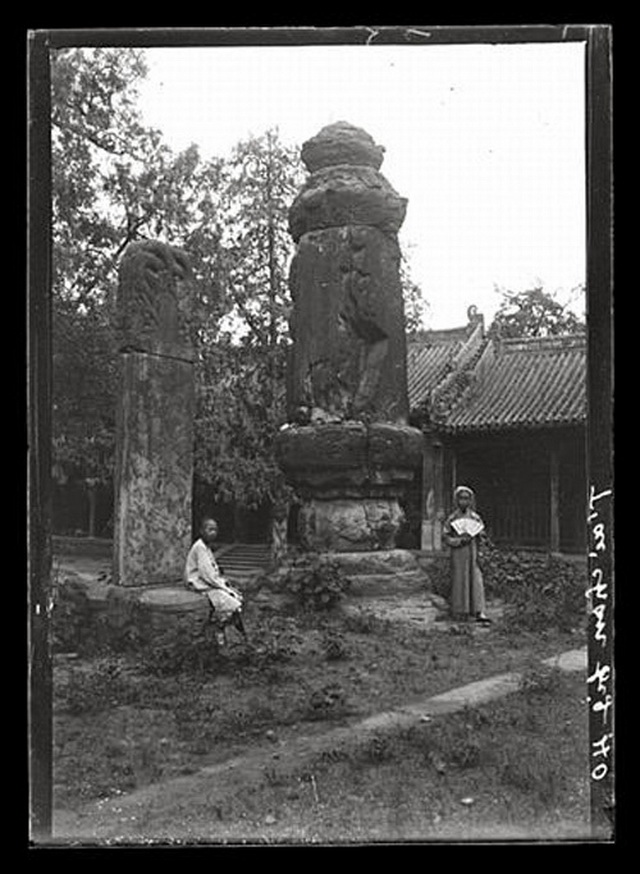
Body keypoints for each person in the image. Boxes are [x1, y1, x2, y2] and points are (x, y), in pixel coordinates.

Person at [184, 518, 246, 646]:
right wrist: (224, 587)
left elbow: (213, 570)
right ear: (202, 531)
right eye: (210, 529)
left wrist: (225, 583)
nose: (213, 532)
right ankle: (221, 630)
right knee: (232, 602)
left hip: (208, 582)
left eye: (215, 530)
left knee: (237, 597)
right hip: (200, 584)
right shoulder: (200, 547)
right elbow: (207, 575)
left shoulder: (206, 547)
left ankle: (234, 633)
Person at [443, 486, 491, 625]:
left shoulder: (475, 518)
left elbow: (482, 535)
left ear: (470, 501)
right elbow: (445, 536)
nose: (464, 501)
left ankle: (478, 610)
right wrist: (458, 541)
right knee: (460, 579)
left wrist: (477, 536)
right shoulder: (452, 518)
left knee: (475, 579)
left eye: (466, 498)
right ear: (456, 500)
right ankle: (460, 610)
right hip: (459, 553)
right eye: (461, 498)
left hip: (473, 551)